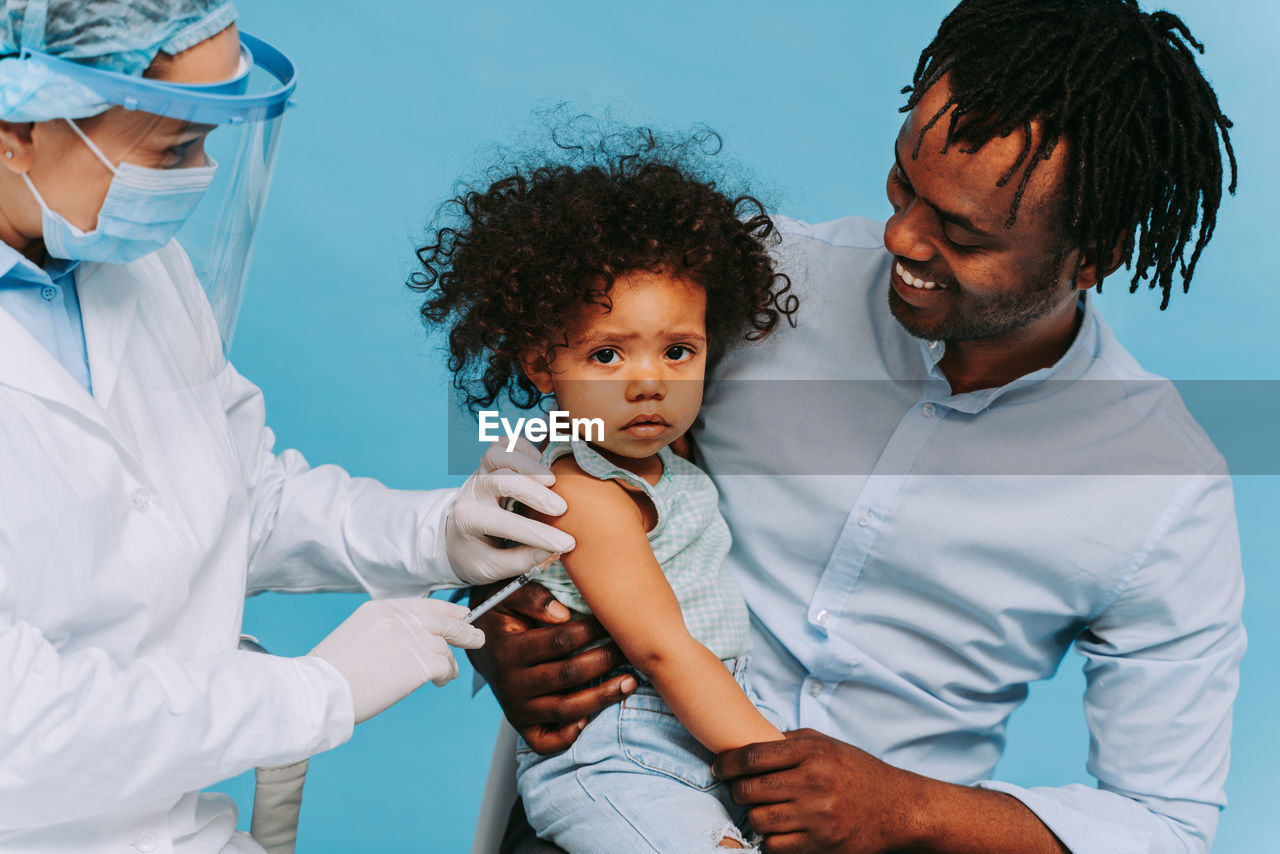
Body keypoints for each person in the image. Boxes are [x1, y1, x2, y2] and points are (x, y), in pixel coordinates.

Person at [451, 1, 1245, 852]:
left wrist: (909, 811)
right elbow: (554, 441)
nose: (902, 234)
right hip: (613, 796)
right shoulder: (746, 283)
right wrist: (498, 606)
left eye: (962, 231)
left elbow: (1167, 826)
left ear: (1095, 255)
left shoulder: (1166, 490)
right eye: (905, 181)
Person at [0, 3, 542, 852]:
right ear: (15, 128)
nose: (202, 173)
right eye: (174, 148)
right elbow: (17, 731)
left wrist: (435, 534)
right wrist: (315, 691)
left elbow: (230, 496)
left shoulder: (128, 264)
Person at [411, 131, 798, 851]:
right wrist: (775, 767)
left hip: (697, 732)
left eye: (678, 351)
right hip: (621, 754)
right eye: (607, 353)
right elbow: (659, 650)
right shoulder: (582, 488)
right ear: (540, 364)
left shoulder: (667, 464)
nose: (649, 381)